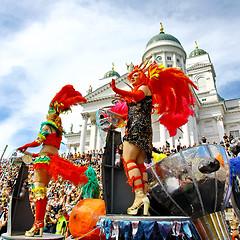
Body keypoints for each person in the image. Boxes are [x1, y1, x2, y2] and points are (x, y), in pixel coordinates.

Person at [110, 58, 197, 215]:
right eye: (131, 76)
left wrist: (117, 90)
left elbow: (136, 96)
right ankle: (143, 198)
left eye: (136, 75)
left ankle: (139, 196)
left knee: (129, 161)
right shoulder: (142, 92)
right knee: (139, 164)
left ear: (142, 76)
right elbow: (132, 111)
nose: (132, 77)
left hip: (137, 129)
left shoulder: (144, 88)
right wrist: (117, 118)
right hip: (142, 130)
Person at [17, 85, 88, 237]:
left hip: (44, 161)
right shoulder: (59, 131)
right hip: (52, 160)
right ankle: (39, 223)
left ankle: (38, 223)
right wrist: (30, 153)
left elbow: (38, 142)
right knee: (42, 191)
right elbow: (48, 148)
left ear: (50, 113)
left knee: (39, 190)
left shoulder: (47, 125)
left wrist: (25, 145)